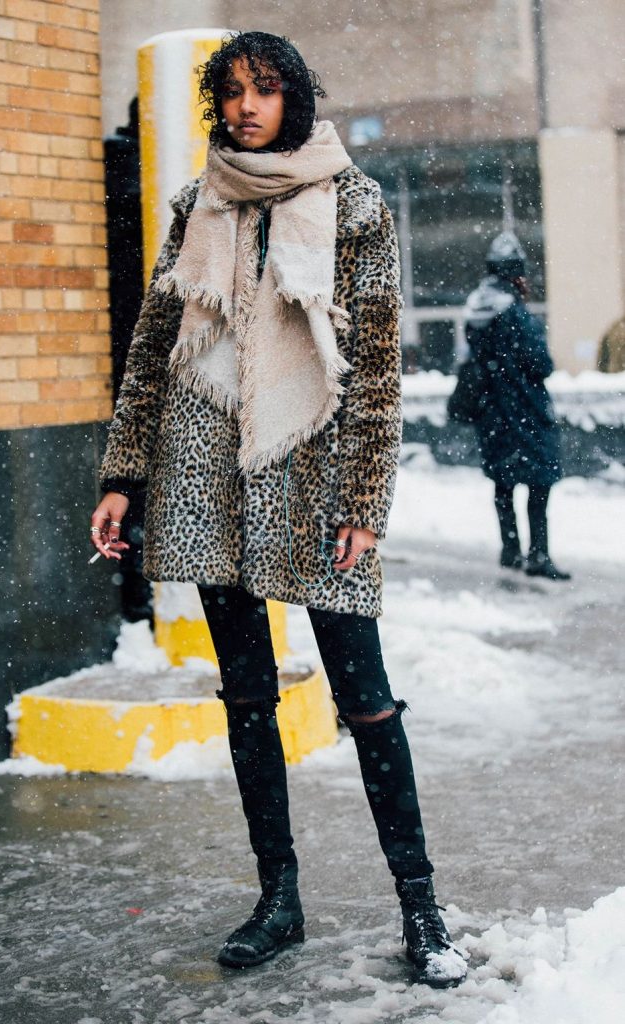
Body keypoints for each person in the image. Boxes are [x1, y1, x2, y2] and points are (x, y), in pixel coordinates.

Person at [91, 32, 467, 987]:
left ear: (294, 97)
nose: (245, 106)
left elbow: (376, 366)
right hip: (209, 474)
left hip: (314, 474)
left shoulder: (353, 204)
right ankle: (278, 898)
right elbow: (150, 350)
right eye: (231, 92)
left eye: (263, 90)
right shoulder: (196, 204)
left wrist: (365, 501)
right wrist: (122, 474)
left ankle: (421, 908)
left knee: (367, 703)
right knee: (248, 701)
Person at [464, 231, 570, 580]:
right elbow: (542, 363)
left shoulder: (476, 308)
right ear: (515, 273)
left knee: (503, 482)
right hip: (524, 410)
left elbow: (475, 360)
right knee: (539, 482)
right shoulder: (515, 312)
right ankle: (538, 554)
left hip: (492, 413)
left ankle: (510, 550)